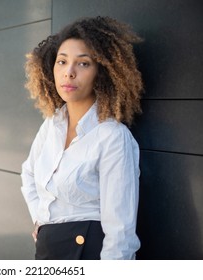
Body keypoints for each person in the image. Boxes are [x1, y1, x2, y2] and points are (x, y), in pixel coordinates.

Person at [20, 16, 143, 260]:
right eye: (62, 62)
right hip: (49, 249)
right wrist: (42, 219)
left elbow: (121, 233)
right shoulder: (51, 125)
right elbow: (29, 174)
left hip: (87, 252)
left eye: (83, 64)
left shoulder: (113, 137)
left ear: (102, 72)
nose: (69, 73)